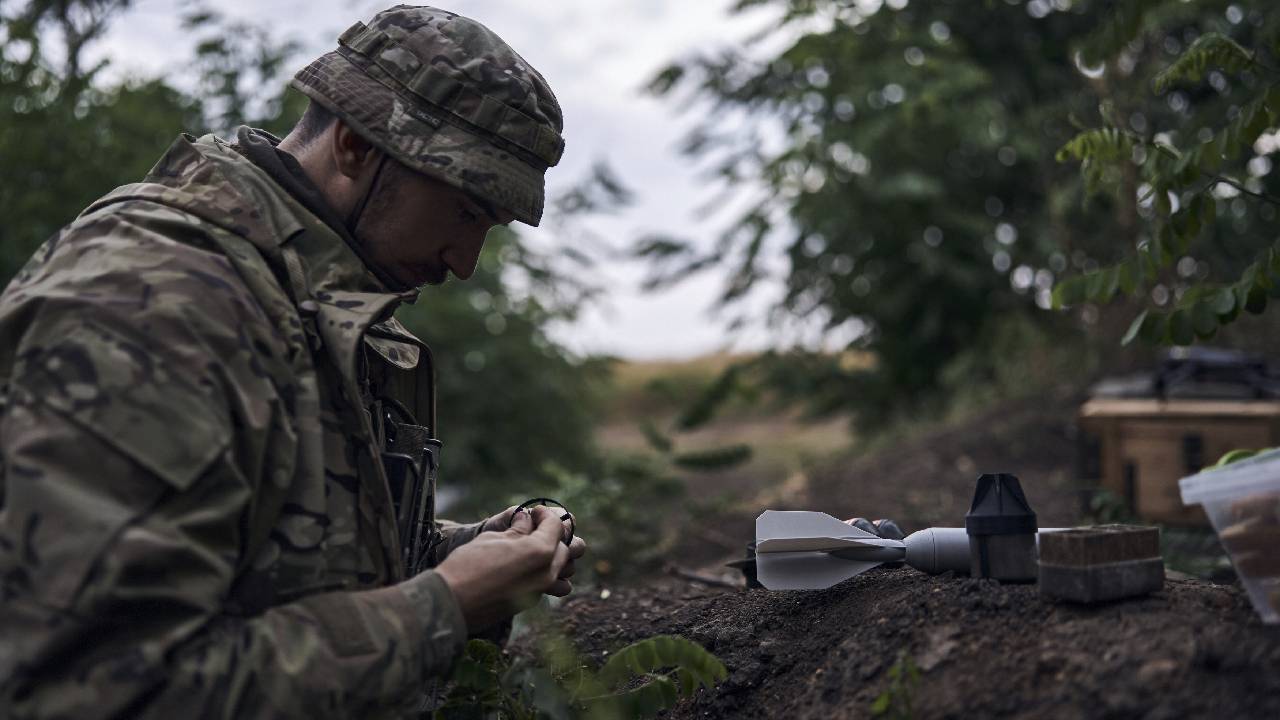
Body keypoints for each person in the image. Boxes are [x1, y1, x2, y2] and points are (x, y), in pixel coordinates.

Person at [0, 5, 586, 718]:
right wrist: (445, 605)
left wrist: (467, 556)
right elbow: (93, 686)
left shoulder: (317, 302)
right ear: (355, 149)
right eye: (464, 213)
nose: (464, 263)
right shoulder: (149, 304)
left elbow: (285, 571)